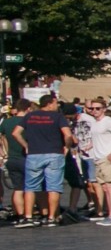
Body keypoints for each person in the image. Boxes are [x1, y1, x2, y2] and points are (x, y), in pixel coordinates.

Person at [11, 93, 72, 226]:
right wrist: (66, 147)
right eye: (56, 103)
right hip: (54, 153)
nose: (57, 106)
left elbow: (15, 133)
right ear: (49, 103)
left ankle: (28, 217)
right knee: (53, 187)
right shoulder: (58, 117)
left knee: (30, 187)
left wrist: (26, 146)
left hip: (34, 154)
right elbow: (67, 134)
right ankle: (51, 217)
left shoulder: (30, 116)